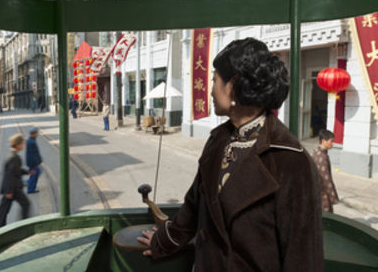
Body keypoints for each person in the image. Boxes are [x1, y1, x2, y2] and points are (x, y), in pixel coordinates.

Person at [137, 38, 323, 271]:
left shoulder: (291, 161)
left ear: (232, 86)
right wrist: (163, 240)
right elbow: (193, 209)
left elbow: (303, 257)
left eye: (214, 79)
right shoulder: (219, 139)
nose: (211, 90)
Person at [0, 134, 31, 229]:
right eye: (22, 143)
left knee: (4, 209)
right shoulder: (14, 158)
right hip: (13, 189)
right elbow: (9, 175)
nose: (23, 145)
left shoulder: (12, 156)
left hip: (12, 188)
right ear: (17, 145)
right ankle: (23, 226)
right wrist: (9, 191)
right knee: (25, 204)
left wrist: (27, 172)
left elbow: (15, 170)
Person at [314, 129, 339, 213]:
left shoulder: (316, 151)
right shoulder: (322, 157)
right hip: (322, 194)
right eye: (331, 141)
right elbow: (327, 180)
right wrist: (333, 197)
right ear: (324, 141)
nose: (332, 144)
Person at [25, 128, 42, 194]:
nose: (37, 134)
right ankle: (31, 189)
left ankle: (29, 183)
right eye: (36, 133)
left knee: (36, 173)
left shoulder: (30, 140)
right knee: (35, 174)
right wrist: (37, 163)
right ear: (33, 134)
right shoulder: (32, 142)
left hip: (31, 162)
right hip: (33, 163)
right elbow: (33, 154)